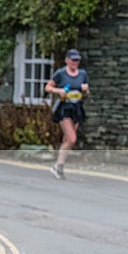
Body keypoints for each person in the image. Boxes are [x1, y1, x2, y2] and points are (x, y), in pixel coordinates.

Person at [45, 49, 89, 180]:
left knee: (67, 140)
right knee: (72, 138)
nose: (75, 62)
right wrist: (59, 91)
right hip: (64, 108)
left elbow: (86, 91)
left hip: (77, 108)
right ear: (67, 60)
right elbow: (48, 87)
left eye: (77, 60)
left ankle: (58, 167)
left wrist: (86, 90)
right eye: (73, 59)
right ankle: (58, 166)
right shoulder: (61, 73)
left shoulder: (82, 74)